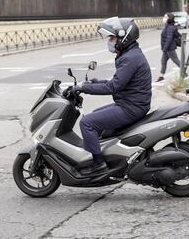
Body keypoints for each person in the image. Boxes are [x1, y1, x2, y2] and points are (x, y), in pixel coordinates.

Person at [65, 17, 152, 175]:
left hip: (131, 107)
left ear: (124, 38)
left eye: (112, 38)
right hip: (130, 103)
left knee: (87, 123)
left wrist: (83, 88)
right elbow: (118, 82)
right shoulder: (130, 54)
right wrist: (93, 82)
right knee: (94, 116)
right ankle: (98, 155)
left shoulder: (130, 58)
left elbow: (113, 87)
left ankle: (99, 164)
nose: (109, 41)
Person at [156, 12, 180, 82]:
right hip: (167, 49)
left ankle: (185, 72)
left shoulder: (170, 28)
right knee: (163, 61)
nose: (164, 18)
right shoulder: (167, 26)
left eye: (165, 17)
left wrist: (165, 48)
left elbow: (169, 39)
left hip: (169, 48)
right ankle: (161, 75)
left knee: (176, 61)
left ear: (169, 19)